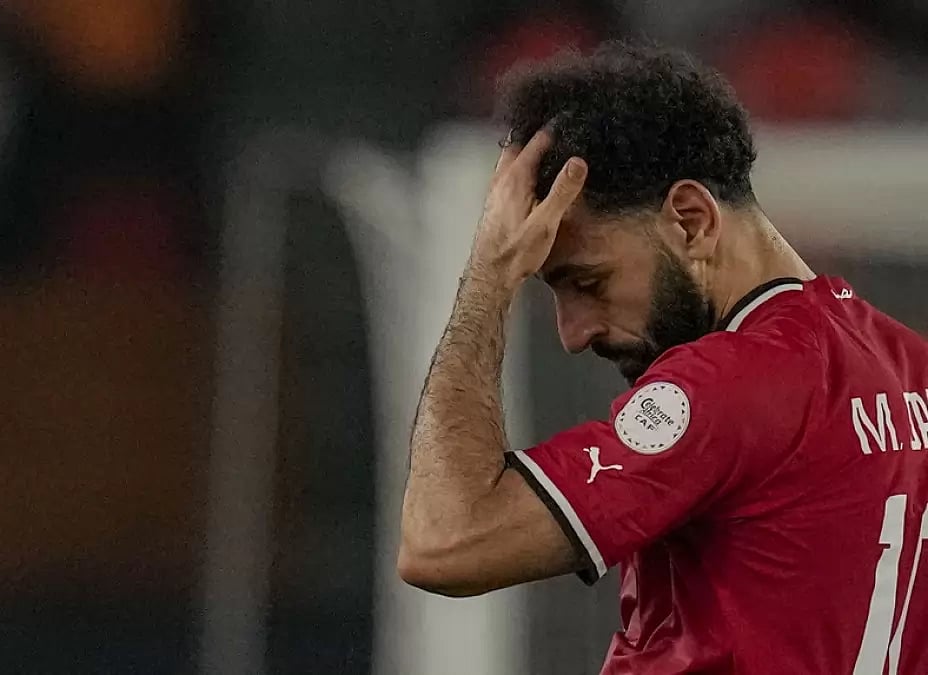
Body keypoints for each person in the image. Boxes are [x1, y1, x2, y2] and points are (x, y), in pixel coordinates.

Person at [397, 42, 928, 674]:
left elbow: (444, 542)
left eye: (588, 281)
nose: (572, 332)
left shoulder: (735, 382)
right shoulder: (906, 365)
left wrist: (489, 276)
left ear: (691, 219)